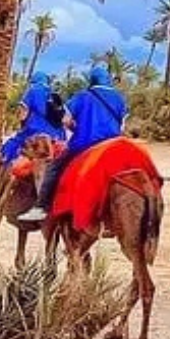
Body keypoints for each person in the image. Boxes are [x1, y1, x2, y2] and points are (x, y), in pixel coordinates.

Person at [20, 64, 127, 222]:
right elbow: (123, 126)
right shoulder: (120, 99)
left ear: (91, 80)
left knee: (53, 169)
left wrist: (74, 125)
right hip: (112, 146)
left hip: (84, 145)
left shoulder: (82, 96)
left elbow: (65, 120)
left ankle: (41, 207)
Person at [1, 71, 66, 166]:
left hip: (34, 132)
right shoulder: (54, 95)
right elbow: (64, 118)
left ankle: (4, 167)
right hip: (57, 135)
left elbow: (23, 113)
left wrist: (22, 126)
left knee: (11, 145)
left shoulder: (33, 90)